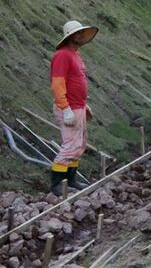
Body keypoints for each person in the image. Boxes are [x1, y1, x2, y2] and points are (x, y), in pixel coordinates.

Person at [50, 20, 98, 195]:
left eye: (81, 33)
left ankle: (71, 180)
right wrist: (66, 108)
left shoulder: (75, 55)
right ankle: (57, 184)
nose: (81, 36)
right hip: (69, 107)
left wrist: (84, 105)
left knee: (79, 145)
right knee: (70, 145)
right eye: (77, 33)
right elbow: (57, 84)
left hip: (78, 106)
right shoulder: (62, 55)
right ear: (69, 36)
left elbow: (76, 82)